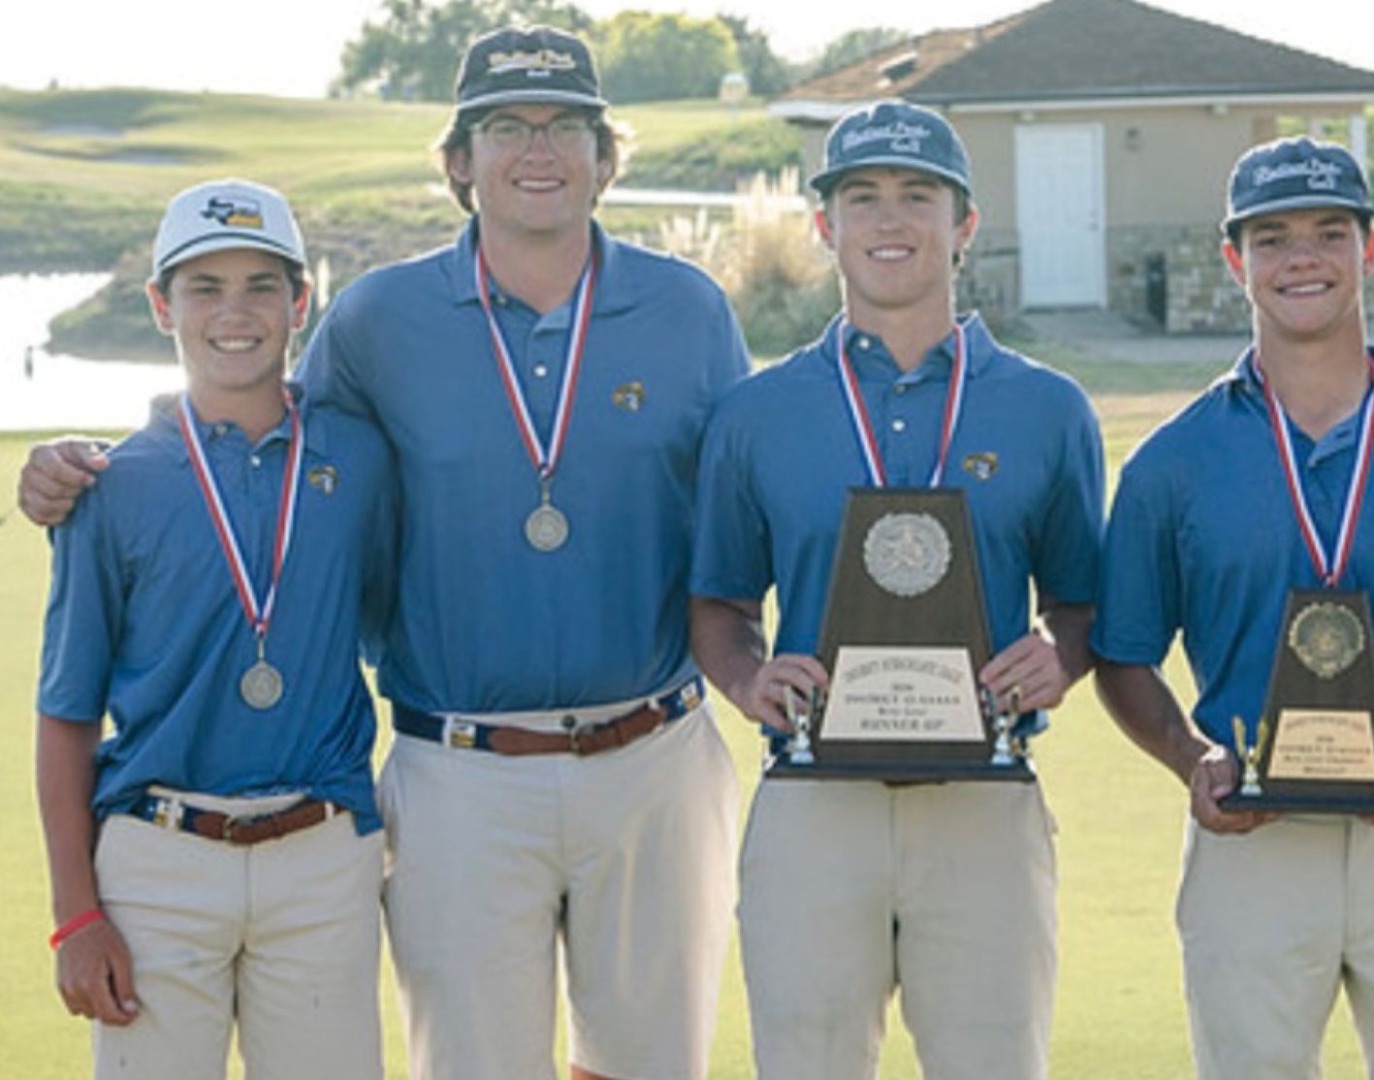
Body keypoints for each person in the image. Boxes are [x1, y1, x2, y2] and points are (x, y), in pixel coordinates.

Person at [21, 25, 750, 1080]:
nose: (535, 150)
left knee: (649, 1065)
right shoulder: (375, 319)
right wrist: (89, 463)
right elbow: (254, 438)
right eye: (505, 126)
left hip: (657, 755)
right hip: (459, 769)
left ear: (604, 157)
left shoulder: (690, 310)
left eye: (565, 127)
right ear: (460, 161)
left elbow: (743, 515)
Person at [1090, 137, 1374, 1080]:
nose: (1303, 259)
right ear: (1234, 258)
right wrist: (1190, 758)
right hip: (1250, 840)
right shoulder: (1173, 462)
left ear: (1369, 250)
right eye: (1273, 237)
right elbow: (1125, 656)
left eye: (1330, 232)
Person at [688, 99, 1104, 1080]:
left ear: (964, 225)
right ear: (824, 226)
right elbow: (719, 603)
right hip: (811, 799)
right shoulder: (757, 411)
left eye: (919, 195)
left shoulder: (1049, 408)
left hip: (986, 797)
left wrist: (1061, 658)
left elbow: (1082, 606)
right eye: (862, 197)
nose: (890, 219)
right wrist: (749, 681)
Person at [36, 179, 394, 1080]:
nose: (234, 313)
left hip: (322, 857)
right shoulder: (109, 485)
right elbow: (67, 712)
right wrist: (76, 914)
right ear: (161, 306)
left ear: (300, 302)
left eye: (261, 286)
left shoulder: (358, 456)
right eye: (205, 288)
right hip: (158, 865)